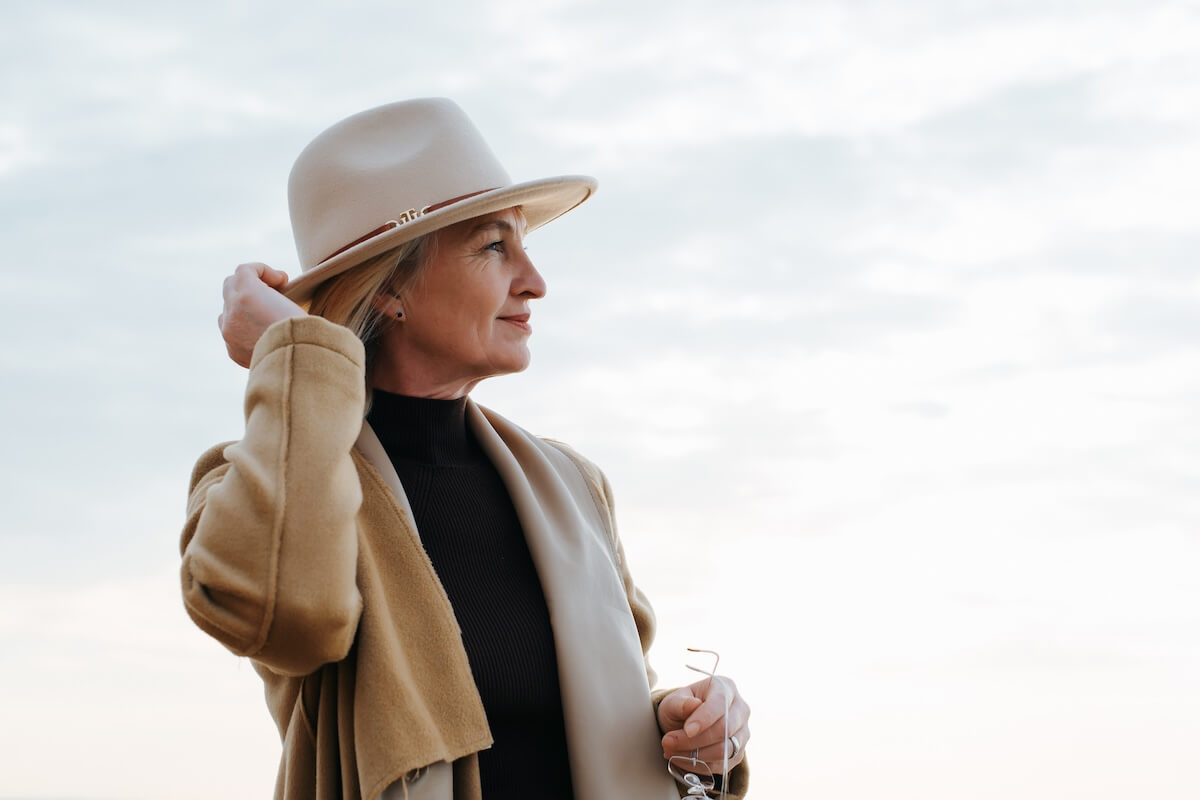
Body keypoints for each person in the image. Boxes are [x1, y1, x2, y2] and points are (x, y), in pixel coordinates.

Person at [179, 97, 751, 800]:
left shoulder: (570, 484)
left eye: (526, 244)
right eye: (493, 246)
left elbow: (587, 719)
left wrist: (683, 732)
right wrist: (293, 357)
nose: (535, 282)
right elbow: (288, 622)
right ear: (391, 287)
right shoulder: (261, 478)